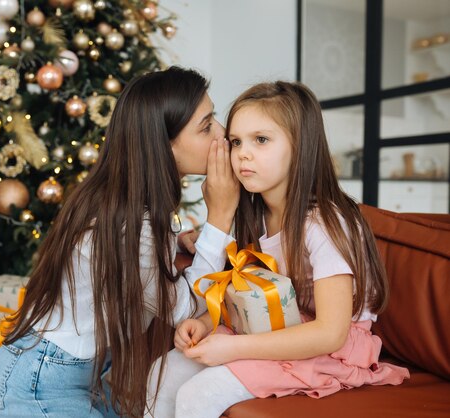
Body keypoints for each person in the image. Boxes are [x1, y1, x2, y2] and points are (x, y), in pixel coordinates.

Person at [0, 66, 239, 418]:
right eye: (206, 126)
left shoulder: (124, 205)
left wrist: (176, 243)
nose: (223, 136)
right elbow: (185, 309)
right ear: (163, 143)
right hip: (37, 386)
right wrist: (220, 218)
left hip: (67, 373)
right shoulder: (133, 227)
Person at [145, 81, 410, 418]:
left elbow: (330, 333)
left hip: (326, 347)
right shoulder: (253, 215)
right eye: (237, 142)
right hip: (274, 327)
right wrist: (205, 324)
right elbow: (252, 295)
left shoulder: (325, 223)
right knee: (159, 377)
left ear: (300, 147)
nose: (243, 154)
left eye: (261, 140)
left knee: (200, 395)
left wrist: (232, 347)